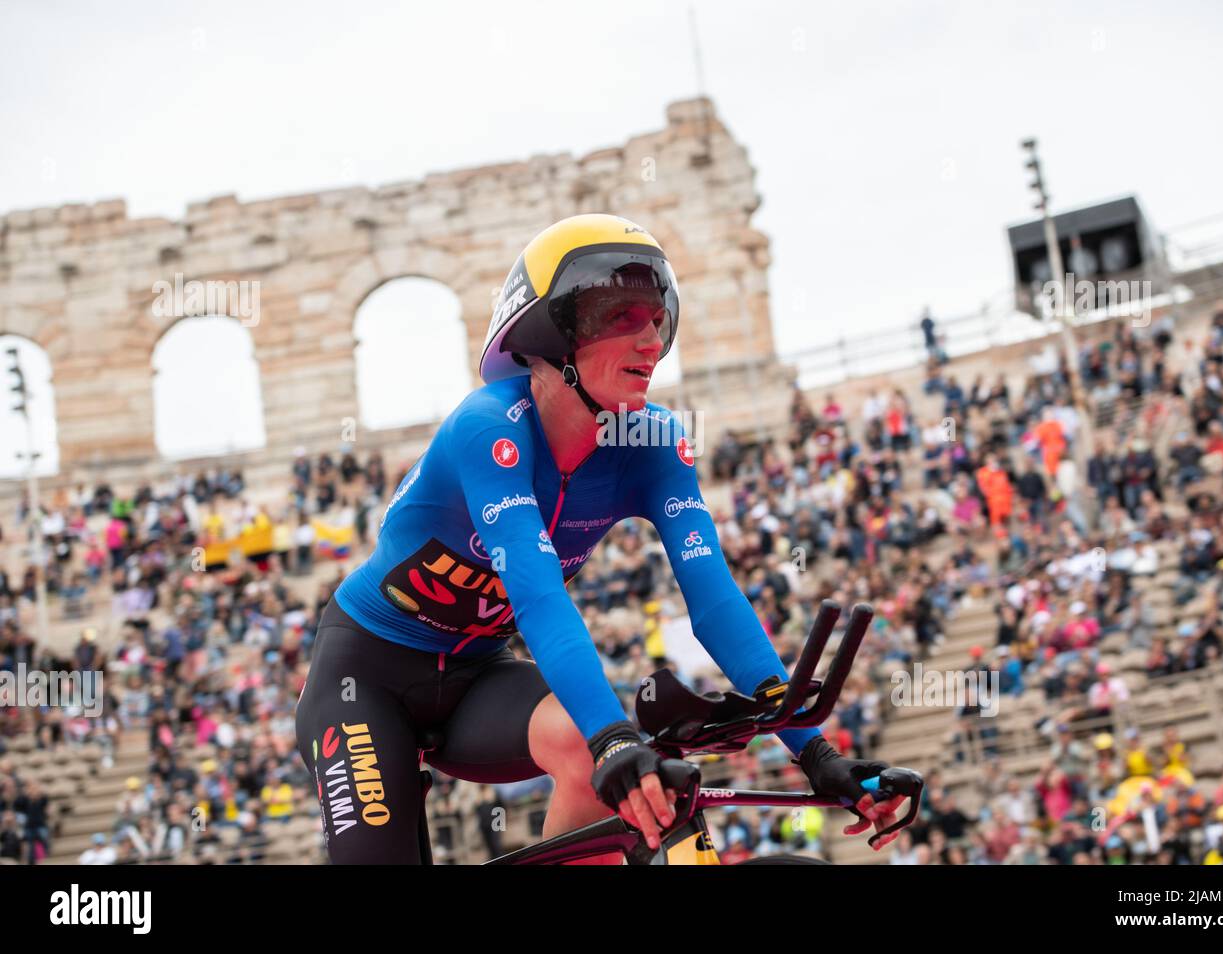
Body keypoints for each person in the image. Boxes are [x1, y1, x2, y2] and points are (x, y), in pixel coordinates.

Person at [295, 214, 909, 864]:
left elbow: (714, 602)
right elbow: (537, 599)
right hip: (364, 680)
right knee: (602, 743)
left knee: (588, 749)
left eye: (658, 318)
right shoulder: (488, 430)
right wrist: (615, 738)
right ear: (554, 333)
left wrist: (817, 755)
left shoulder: (653, 441)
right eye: (623, 316)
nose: (650, 338)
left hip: (478, 677)